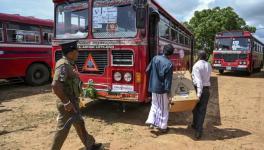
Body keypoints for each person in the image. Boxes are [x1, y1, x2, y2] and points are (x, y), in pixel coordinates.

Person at [51, 41, 102, 150]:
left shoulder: (69, 63)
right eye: (76, 50)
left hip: (73, 101)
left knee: (79, 123)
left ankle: (90, 145)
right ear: (71, 52)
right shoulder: (63, 65)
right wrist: (66, 102)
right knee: (62, 130)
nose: (78, 52)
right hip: (67, 104)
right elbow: (55, 86)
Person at [145, 44, 174, 133]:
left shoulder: (155, 58)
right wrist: (169, 93)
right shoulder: (169, 64)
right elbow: (167, 81)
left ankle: (151, 121)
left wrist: (154, 78)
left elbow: (147, 70)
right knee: (164, 108)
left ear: (163, 50)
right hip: (161, 89)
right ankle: (163, 127)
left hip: (153, 87)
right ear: (171, 54)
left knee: (155, 105)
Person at [191, 50, 212, 139]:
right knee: (201, 111)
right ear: (205, 57)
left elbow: (199, 82)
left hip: (198, 90)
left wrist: (199, 94)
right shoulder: (208, 65)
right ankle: (196, 125)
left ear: (199, 56)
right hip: (206, 90)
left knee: (196, 109)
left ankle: (198, 131)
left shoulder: (196, 66)